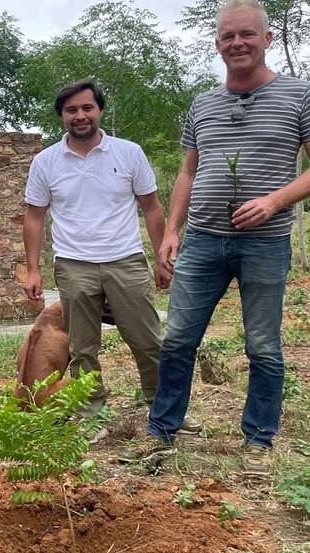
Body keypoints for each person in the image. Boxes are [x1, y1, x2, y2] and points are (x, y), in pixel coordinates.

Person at [119, 0, 310, 473]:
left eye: (246, 34)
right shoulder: (203, 103)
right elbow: (188, 172)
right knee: (177, 339)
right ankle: (162, 432)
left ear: (267, 39)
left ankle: (258, 440)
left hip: (265, 241)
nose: (236, 43)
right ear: (217, 43)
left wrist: (274, 201)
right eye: (227, 36)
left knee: (262, 344)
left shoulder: (302, 96)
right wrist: (171, 231)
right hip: (201, 240)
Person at [22, 79, 201, 433]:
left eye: (87, 108)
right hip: (73, 264)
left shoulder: (129, 152)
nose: (80, 116)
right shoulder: (45, 162)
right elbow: (34, 215)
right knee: (82, 348)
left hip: (126, 260)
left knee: (148, 341)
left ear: (99, 110)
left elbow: (151, 208)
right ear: (62, 116)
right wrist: (32, 269)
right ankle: (89, 413)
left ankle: (164, 411)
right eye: (71, 110)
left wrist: (162, 254)